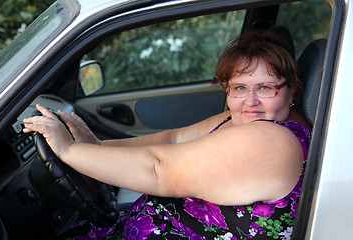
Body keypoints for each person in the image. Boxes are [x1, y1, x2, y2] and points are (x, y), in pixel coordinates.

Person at [23, 32, 311, 240]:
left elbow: (160, 170)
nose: (250, 101)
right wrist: (98, 146)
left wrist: (68, 151)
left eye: (265, 88)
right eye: (238, 88)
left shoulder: (271, 140)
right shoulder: (242, 120)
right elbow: (172, 140)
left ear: (291, 89)